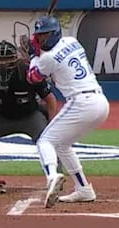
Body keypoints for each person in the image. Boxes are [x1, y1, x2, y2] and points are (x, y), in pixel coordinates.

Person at [26, 16, 110, 207]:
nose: (42, 39)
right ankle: (84, 189)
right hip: (100, 102)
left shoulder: (47, 59)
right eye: (39, 36)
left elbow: (32, 78)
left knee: (45, 141)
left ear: (54, 34)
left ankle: (52, 176)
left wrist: (33, 56)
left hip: (82, 103)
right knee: (62, 145)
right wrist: (38, 51)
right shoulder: (72, 41)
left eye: (45, 35)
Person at [0, 40, 57, 189]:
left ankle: (54, 176)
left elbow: (50, 99)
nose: (3, 64)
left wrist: (53, 125)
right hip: (1, 116)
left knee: (48, 140)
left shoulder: (29, 73)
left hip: (30, 116)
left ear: (16, 60)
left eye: (7, 60)